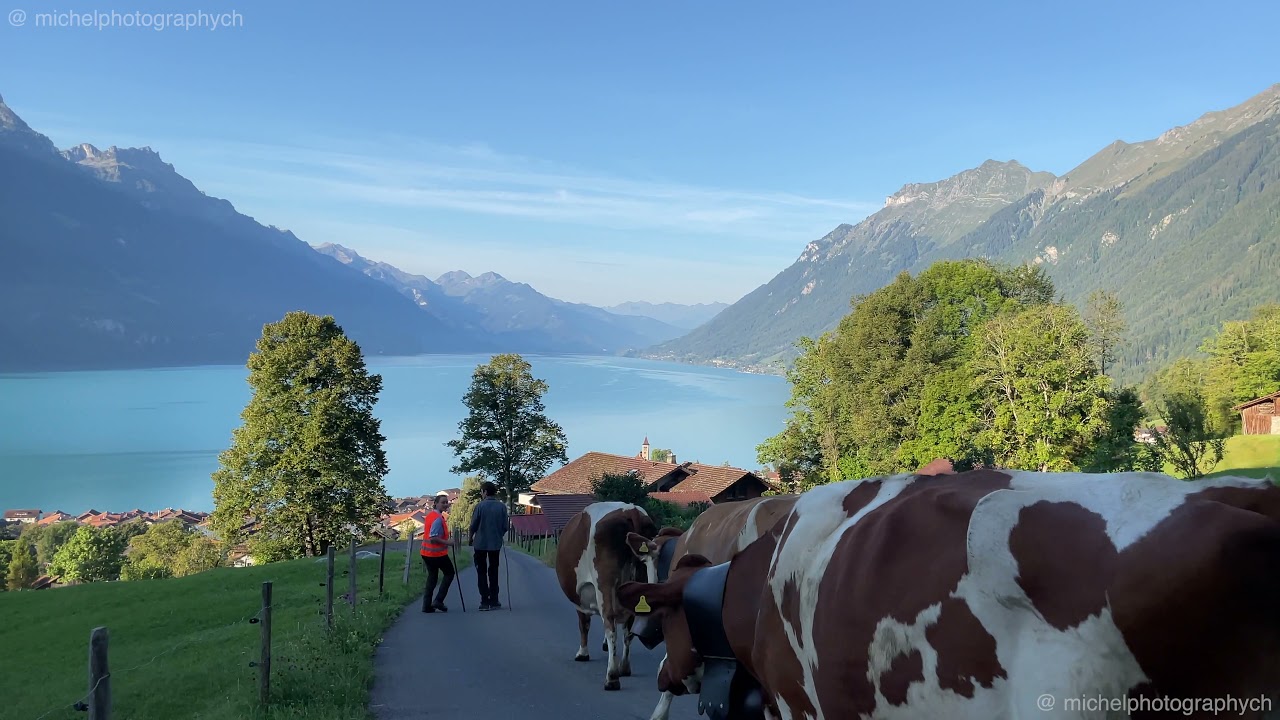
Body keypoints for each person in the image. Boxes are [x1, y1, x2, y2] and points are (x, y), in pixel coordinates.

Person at [469, 481, 509, 611]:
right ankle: (495, 600)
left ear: (485, 492)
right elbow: (505, 527)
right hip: (495, 544)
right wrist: (498, 535)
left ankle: (484, 601)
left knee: (481, 571)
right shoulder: (502, 507)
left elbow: (473, 525)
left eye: (481, 491)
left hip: (480, 544)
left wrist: (470, 538)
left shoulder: (480, 506)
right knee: (494, 571)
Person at [419, 493, 455, 613]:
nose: (446, 504)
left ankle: (426, 605)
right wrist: (447, 542)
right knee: (449, 573)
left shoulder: (431, 516)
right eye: (443, 502)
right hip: (436, 554)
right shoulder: (438, 519)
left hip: (426, 553)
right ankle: (438, 600)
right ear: (436, 504)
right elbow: (433, 537)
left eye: (446, 502)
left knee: (432, 578)